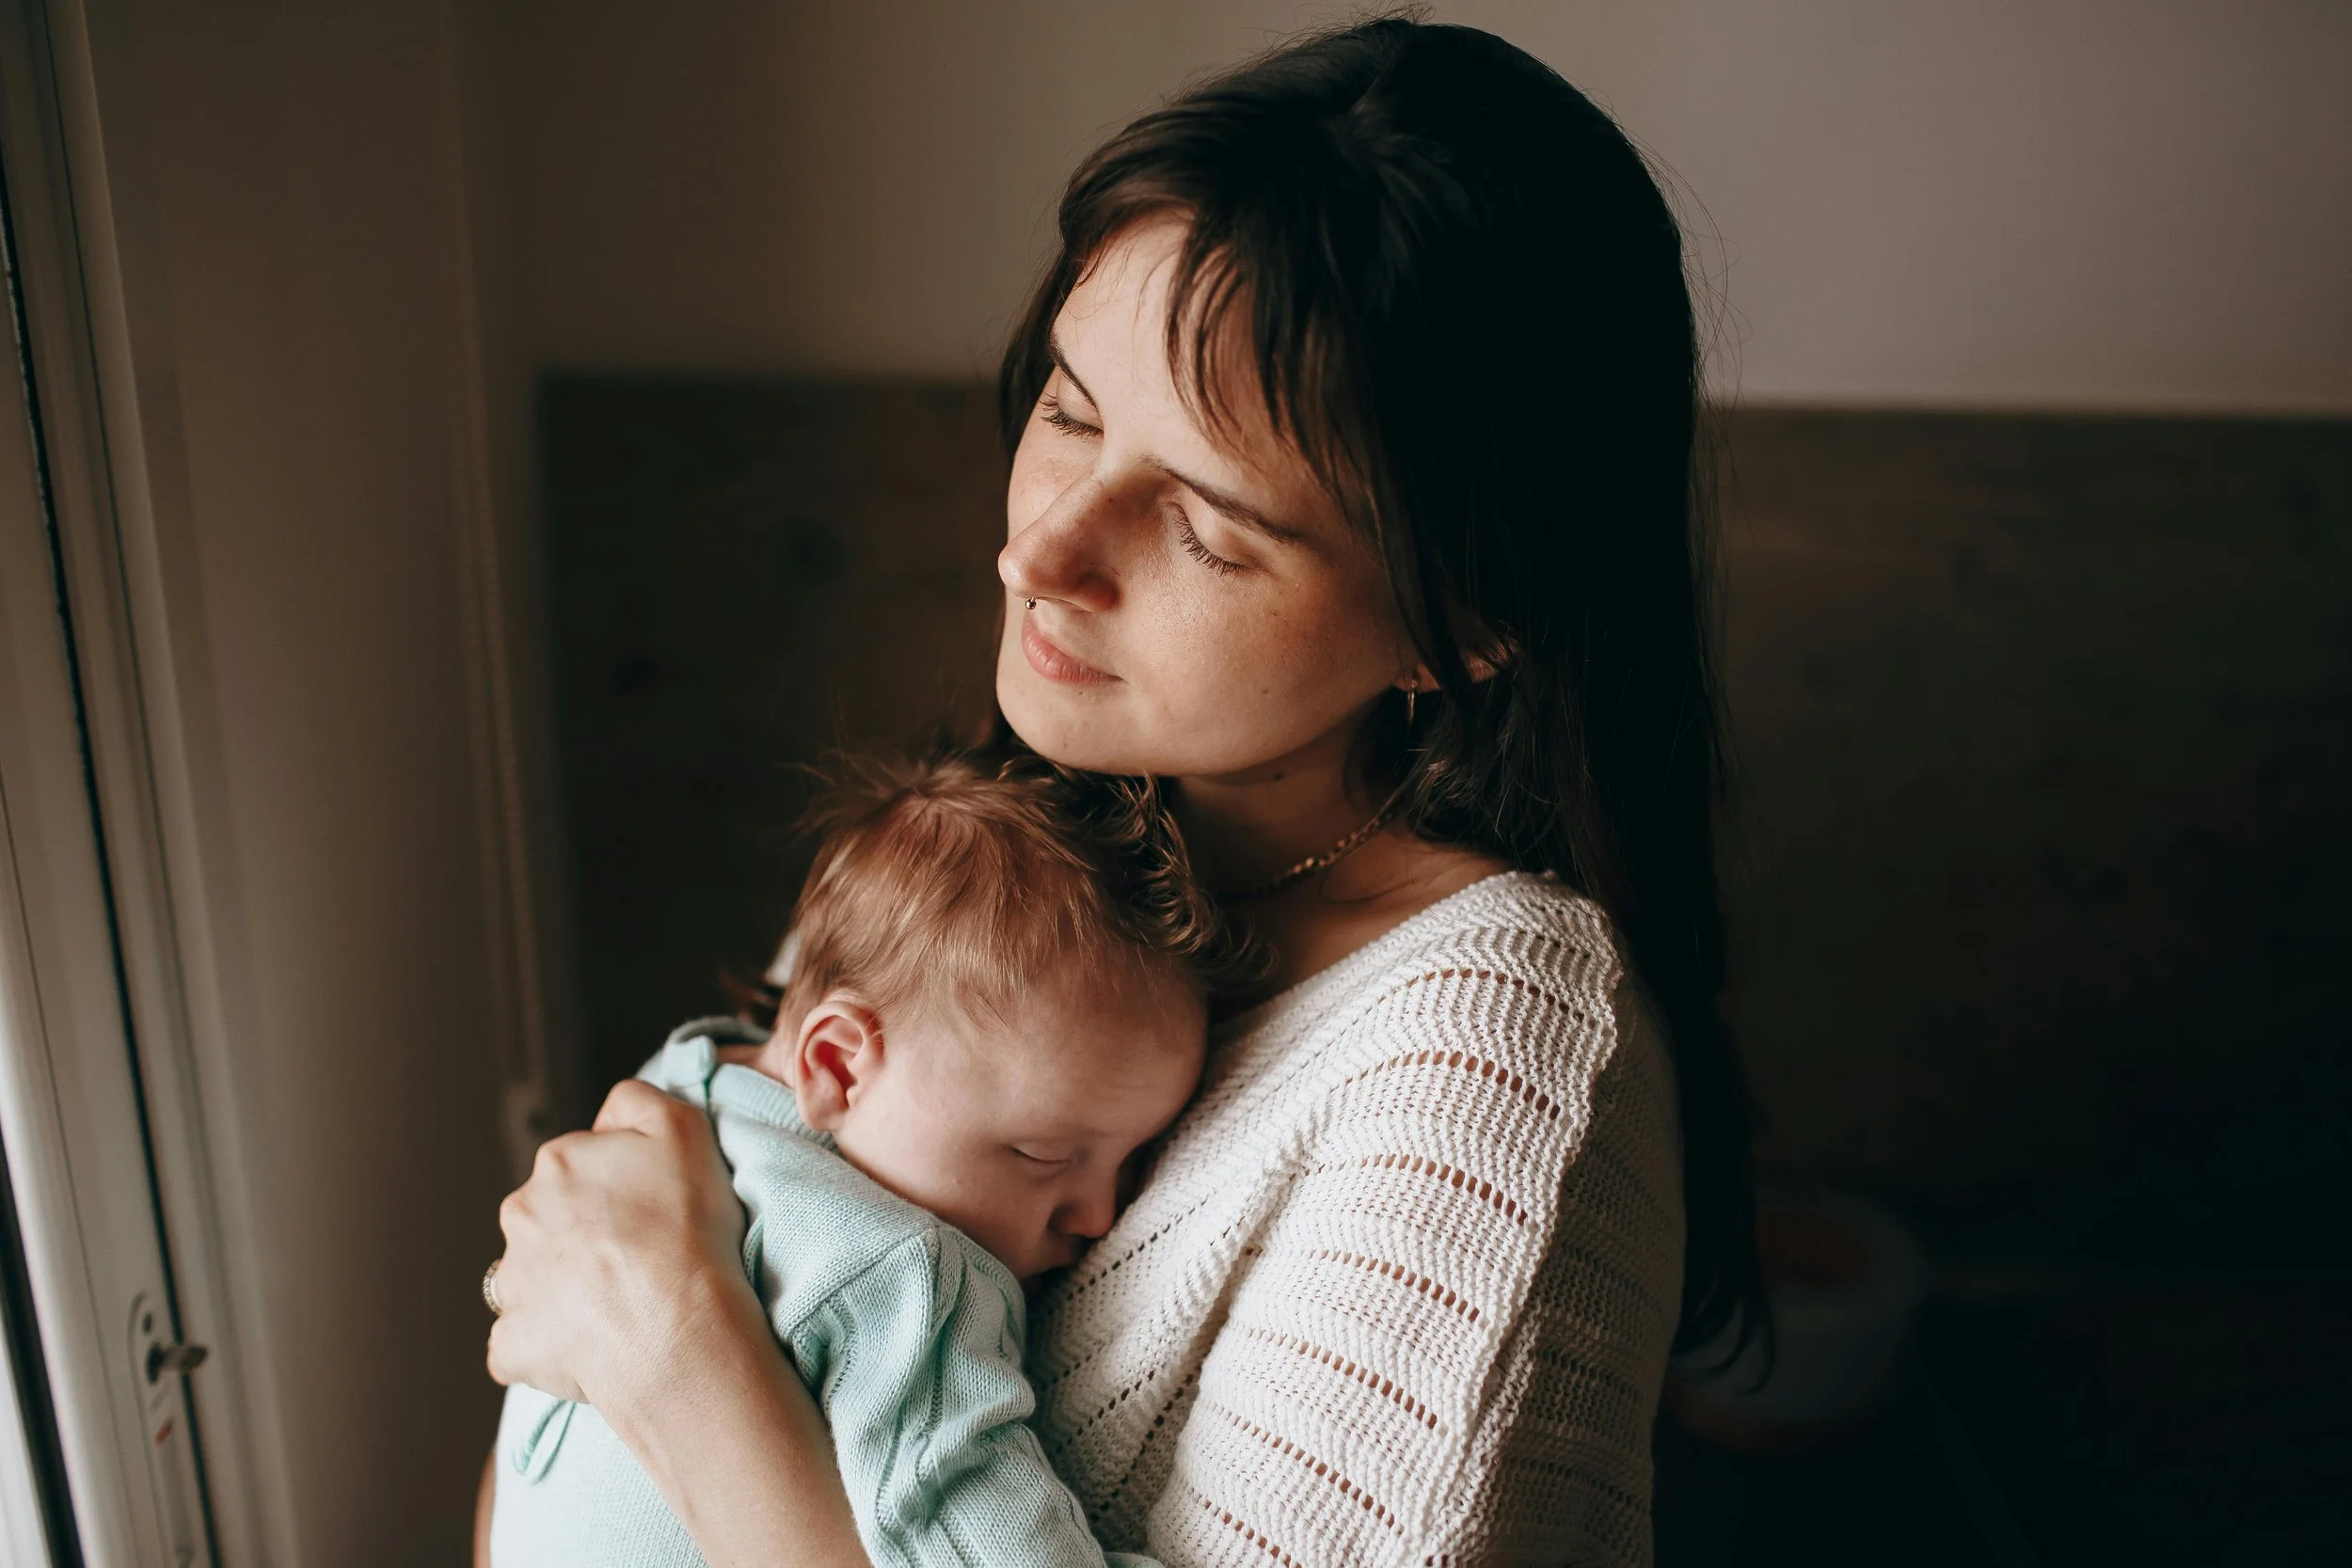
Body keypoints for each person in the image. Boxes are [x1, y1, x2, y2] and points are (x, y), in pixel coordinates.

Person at [484, 18, 1760, 1567]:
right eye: (1072, 412)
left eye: (1211, 528)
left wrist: (687, 1365)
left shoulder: (1489, 1067)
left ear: (1467, 620)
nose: (1041, 552)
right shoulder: (1037, 842)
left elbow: (649, 1322)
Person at [487, 745, 1232, 1566]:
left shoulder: (677, 1083)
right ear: (837, 1064)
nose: (1100, 1214)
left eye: (1132, 1161)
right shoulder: (901, 1273)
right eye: (1042, 1153)